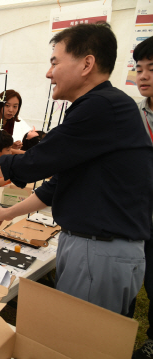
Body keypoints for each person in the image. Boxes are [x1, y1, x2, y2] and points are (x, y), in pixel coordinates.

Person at [0, 23, 153, 316]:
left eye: (55, 62)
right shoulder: (102, 107)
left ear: (86, 64)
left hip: (99, 250)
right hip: (91, 246)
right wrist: (7, 213)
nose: (48, 72)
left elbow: (34, 163)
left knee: (79, 341)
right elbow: (57, 183)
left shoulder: (102, 107)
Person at [131, 35, 153, 359]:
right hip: (140, 215)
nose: (144, 75)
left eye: (152, 68)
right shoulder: (132, 115)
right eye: (139, 68)